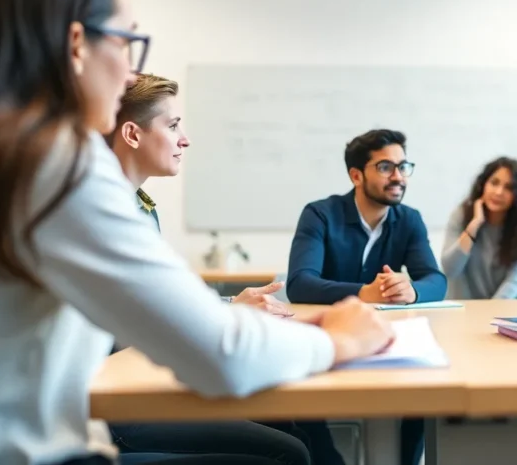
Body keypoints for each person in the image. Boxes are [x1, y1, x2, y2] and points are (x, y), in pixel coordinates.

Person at [0, 0, 394, 465]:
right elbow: (222, 357)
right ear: (75, 45)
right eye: (125, 41)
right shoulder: (56, 165)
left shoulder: (23, 158)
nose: (130, 70)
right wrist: (342, 340)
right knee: (289, 455)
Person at [106, 74, 344, 465]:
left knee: (286, 428)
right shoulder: (109, 216)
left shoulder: (137, 207)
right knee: (289, 451)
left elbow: (161, 300)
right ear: (132, 134)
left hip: (135, 383)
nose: (185, 139)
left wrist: (234, 303)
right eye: (173, 125)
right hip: (116, 406)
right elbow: (145, 320)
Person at [286, 129, 446, 465]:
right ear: (356, 175)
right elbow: (300, 283)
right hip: (330, 336)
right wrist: (362, 293)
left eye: (404, 167)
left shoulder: (409, 219)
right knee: (298, 396)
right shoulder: (320, 214)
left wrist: (412, 289)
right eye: (386, 167)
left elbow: (435, 279)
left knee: (425, 389)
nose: (398, 177)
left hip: (388, 339)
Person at [441, 157, 517, 299]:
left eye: (509, 187)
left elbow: (516, 280)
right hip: (470, 307)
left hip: (514, 301)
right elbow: (450, 270)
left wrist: (491, 312)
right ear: (483, 184)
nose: (499, 192)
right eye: (494, 183)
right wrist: (473, 227)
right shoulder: (461, 215)